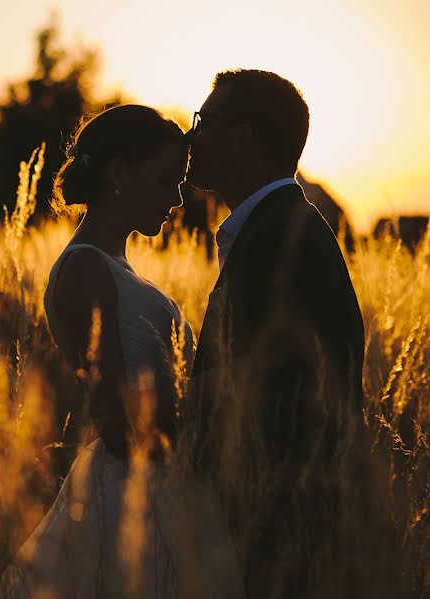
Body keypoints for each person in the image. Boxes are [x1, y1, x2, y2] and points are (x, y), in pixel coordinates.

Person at [0, 105, 243, 598]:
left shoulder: (116, 266)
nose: (176, 199)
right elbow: (110, 414)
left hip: (168, 483)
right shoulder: (85, 269)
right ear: (118, 172)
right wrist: (211, 406)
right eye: (166, 179)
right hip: (135, 496)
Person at [186, 69, 400, 598]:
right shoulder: (275, 227)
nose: (192, 136)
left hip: (278, 533)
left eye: (204, 121)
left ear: (244, 136)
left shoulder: (280, 240)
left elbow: (254, 397)